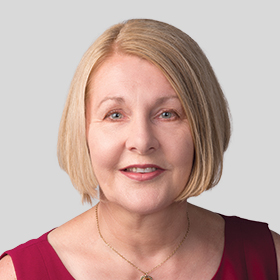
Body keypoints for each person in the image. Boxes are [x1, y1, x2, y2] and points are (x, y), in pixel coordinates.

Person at [0, 18, 279, 280]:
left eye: (167, 114)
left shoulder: (271, 260)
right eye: (115, 115)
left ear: (203, 127)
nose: (142, 141)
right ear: (82, 130)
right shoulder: (17, 274)